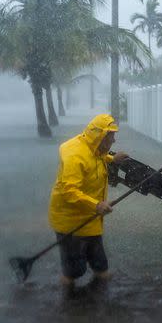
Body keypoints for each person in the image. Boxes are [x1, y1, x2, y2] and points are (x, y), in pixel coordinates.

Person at [48, 114, 128, 288]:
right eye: (111, 136)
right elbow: (69, 191)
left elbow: (95, 158)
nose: (114, 140)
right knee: (73, 272)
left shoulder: (93, 147)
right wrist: (96, 205)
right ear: (100, 136)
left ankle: (98, 304)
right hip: (71, 222)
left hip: (89, 219)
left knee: (101, 265)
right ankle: (68, 306)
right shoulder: (75, 156)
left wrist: (112, 159)